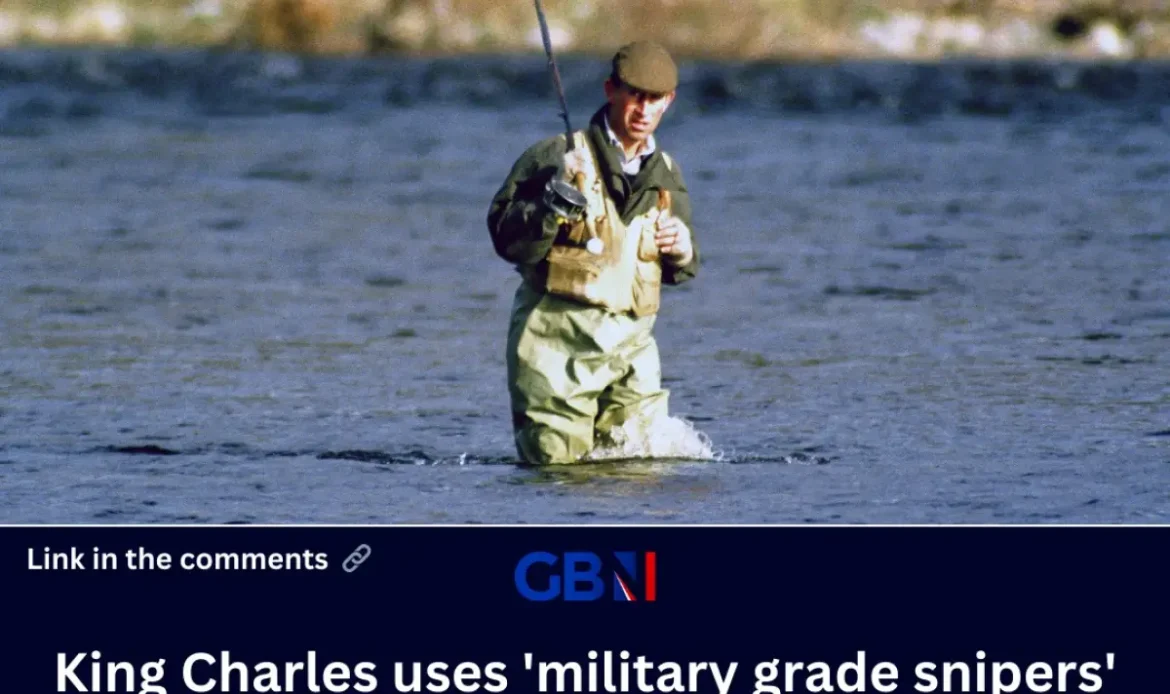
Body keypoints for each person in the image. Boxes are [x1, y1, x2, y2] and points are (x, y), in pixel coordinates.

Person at [486, 40, 700, 465]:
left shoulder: (666, 176)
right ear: (610, 91)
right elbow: (506, 239)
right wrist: (551, 203)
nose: (643, 110)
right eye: (634, 95)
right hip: (556, 351)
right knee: (557, 473)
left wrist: (683, 250)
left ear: (669, 102)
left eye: (654, 99)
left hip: (632, 355)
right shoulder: (556, 155)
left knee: (644, 466)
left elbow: (682, 271)